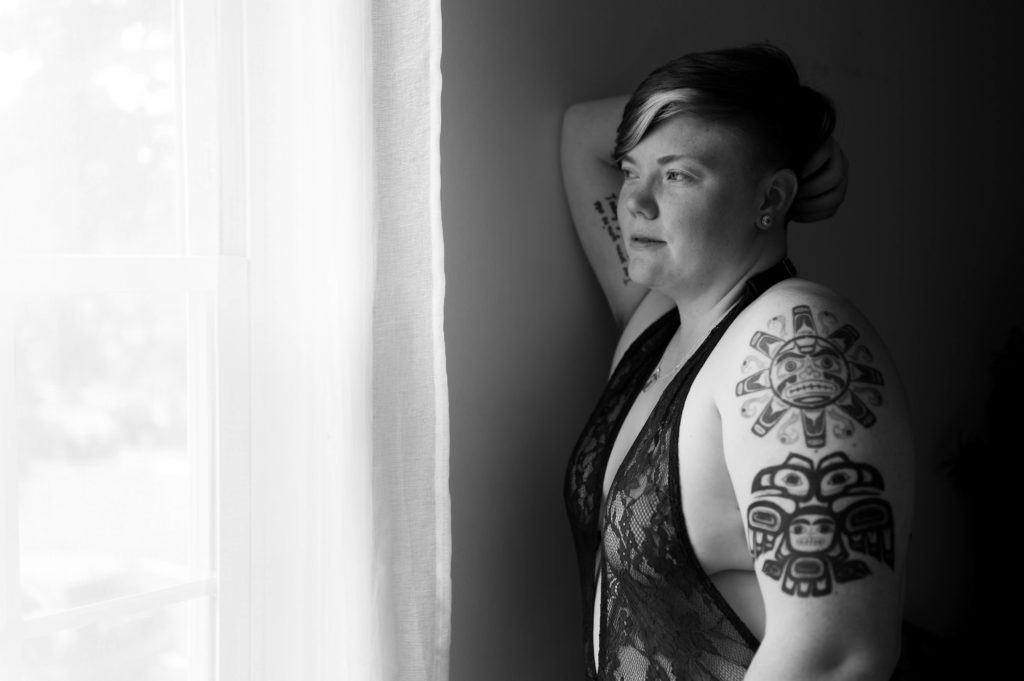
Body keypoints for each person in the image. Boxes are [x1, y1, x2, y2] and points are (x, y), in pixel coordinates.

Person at [560, 44, 915, 681]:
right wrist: (785, 136)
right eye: (630, 170)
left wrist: (773, 147)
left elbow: (838, 658)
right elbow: (583, 131)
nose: (634, 202)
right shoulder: (655, 319)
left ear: (771, 198)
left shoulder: (790, 342)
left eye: (677, 175)